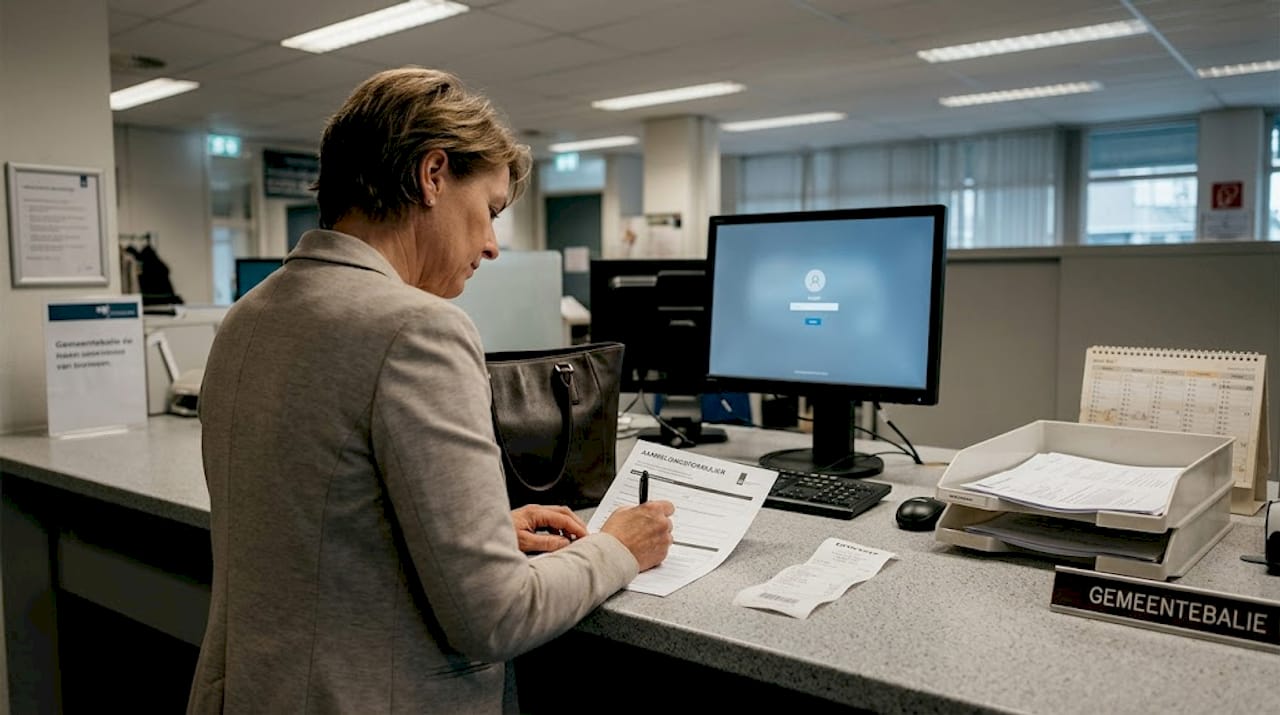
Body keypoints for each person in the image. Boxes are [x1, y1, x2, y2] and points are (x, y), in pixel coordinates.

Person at [188, 67, 675, 714]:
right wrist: (619, 547)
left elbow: (318, 530)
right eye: (491, 211)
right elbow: (497, 615)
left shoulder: (249, 316)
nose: (493, 245)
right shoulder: (419, 330)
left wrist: (479, 531)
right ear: (433, 174)